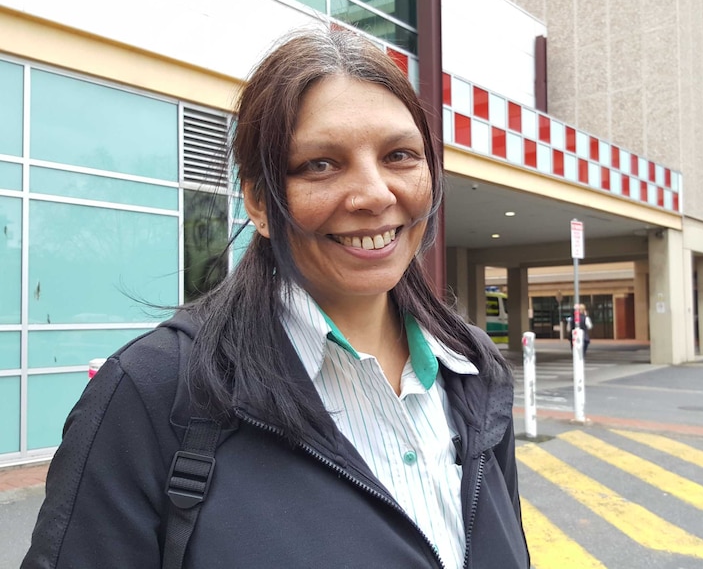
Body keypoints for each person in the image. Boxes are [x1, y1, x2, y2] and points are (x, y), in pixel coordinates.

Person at [23, 28, 529, 569]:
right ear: (260, 203)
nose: (377, 194)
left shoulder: (475, 370)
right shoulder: (153, 394)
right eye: (321, 164)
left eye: (400, 155)